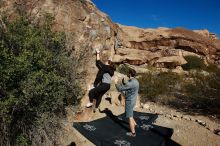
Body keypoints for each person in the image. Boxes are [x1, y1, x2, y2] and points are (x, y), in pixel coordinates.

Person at [86, 48, 115, 112]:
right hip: (108, 86)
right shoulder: (111, 70)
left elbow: (98, 62)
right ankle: (96, 107)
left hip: (104, 85)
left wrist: (98, 53)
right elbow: (101, 65)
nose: (105, 61)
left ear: (108, 63)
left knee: (92, 91)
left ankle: (91, 102)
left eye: (107, 61)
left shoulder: (105, 67)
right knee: (99, 95)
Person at [115, 69, 139, 137]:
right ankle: (135, 124)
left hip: (129, 101)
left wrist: (116, 82)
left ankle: (133, 133)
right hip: (133, 100)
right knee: (131, 113)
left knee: (130, 117)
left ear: (130, 74)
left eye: (128, 73)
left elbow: (120, 89)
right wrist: (123, 82)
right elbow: (128, 87)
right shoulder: (136, 81)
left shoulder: (130, 83)